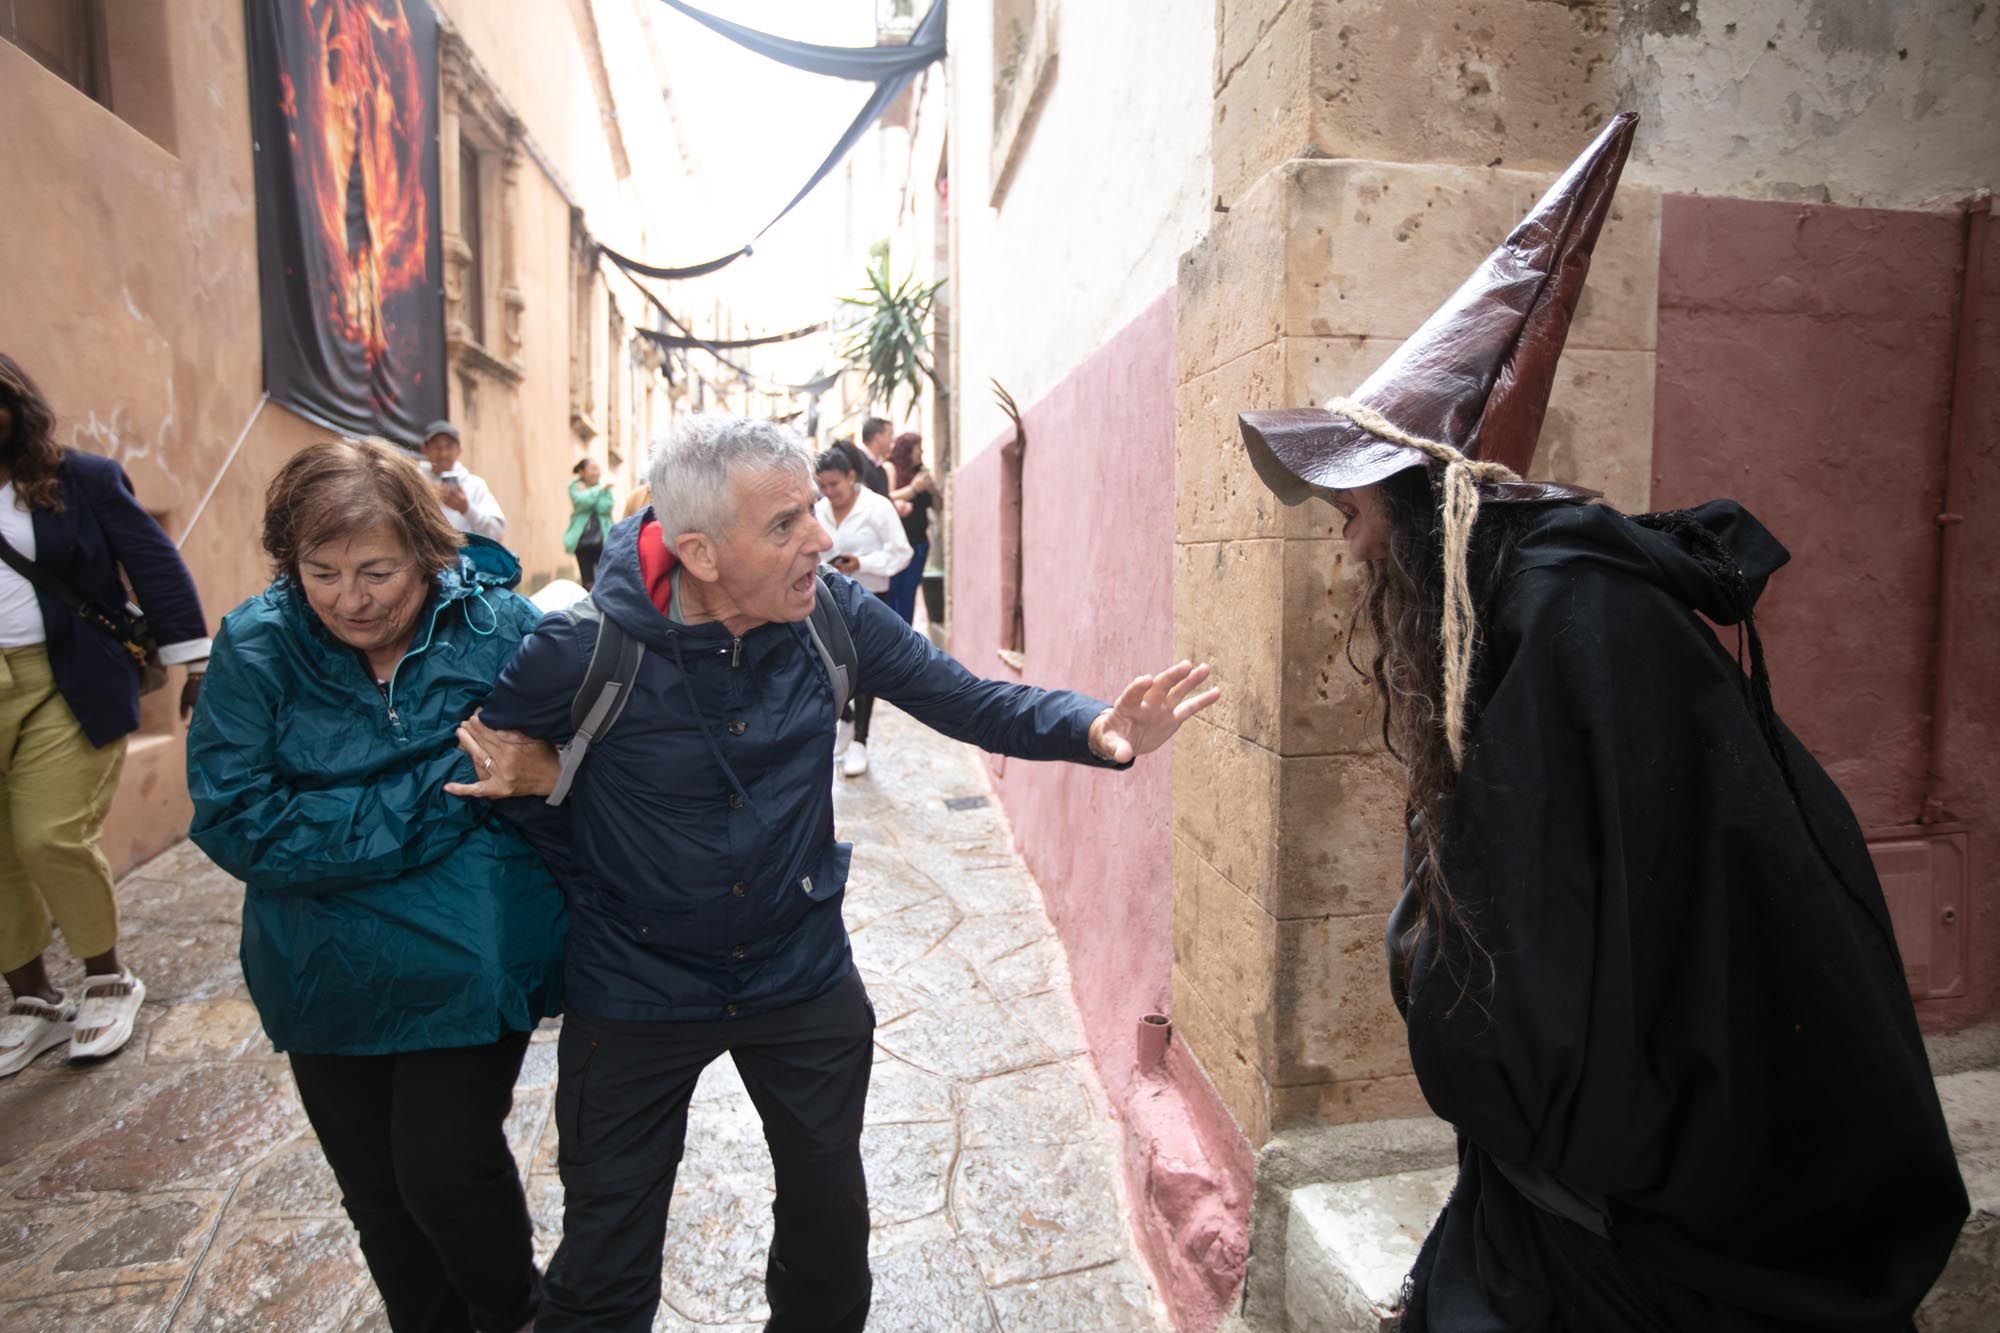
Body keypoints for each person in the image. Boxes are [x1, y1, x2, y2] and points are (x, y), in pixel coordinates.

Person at [1238, 113, 1967, 1331]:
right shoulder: (1526, 605)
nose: (1345, 541)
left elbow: (1564, 955)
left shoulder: (1566, 616)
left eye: (1355, 509)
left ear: (1427, 503)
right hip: (1575, 1183)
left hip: (1648, 1202)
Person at [446, 414, 1219, 1333]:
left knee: (829, 1246)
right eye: (784, 525)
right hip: (635, 986)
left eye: (815, 507)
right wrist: (562, 795)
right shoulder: (585, 649)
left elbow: (968, 698)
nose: (821, 536)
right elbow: (487, 767)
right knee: (603, 1269)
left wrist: (1098, 728)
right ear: (699, 552)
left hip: (798, 972)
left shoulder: (833, 616)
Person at [186, 439, 565, 1332]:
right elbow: (237, 817)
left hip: (468, 954)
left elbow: (559, 766)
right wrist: (435, 796)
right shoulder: (256, 644)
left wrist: (539, 771)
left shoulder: (500, 630)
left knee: (444, 1164)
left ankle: (518, 1315)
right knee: (376, 1192)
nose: (350, 600)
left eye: (376, 571)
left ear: (428, 553)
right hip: (319, 961)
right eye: (321, 573)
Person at [0, 354, 209, 1076]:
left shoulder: (79, 479)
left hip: (69, 674)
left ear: (14, 407)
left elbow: (153, 564)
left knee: (49, 832)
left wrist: (196, 662)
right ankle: (30, 995)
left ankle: (106, 976)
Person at [813, 446, 912, 778]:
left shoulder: (877, 507)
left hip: (870, 598)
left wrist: (863, 564)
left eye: (834, 485)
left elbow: (901, 552)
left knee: (866, 668)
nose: (828, 493)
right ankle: (847, 718)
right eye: (822, 486)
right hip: (826, 599)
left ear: (851, 477)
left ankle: (861, 742)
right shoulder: (819, 510)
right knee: (825, 663)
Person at [419, 419, 507, 541]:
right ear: (424, 449)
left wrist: (466, 509)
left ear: (459, 450)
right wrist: (426, 499)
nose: (443, 453)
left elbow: (495, 532)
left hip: (465, 558)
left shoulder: (475, 485)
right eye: (436, 447)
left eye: (449, 446)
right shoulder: (415, 482)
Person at [883, 430, 937, 625]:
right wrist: (913, 489)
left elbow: (936, 507)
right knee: (892, 593)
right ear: (907, 451)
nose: (921, 452)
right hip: (896, 543)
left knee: (909, 593)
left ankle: (906, 637)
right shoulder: (891, 469)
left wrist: (932, 490)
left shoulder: (921, 473)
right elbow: (885, 498)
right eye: (918, 448)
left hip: (919, 543)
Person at [564, 457, 615, 590]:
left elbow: (605, 507)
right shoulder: (574, 486)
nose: (596, 472)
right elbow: (580, 502)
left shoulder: (606, 488)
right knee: (587, 581)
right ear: (582, 472)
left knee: (606, 577)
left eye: (597, 468)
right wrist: (599, 491)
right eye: (592, 469)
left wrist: (589, 495)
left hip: (603, 539)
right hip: (582, 541)